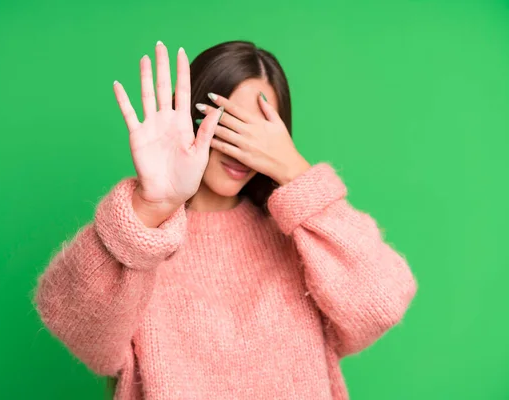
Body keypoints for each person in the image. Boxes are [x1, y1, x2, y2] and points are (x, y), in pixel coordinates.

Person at [34, 40, 417, 400]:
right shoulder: (144, 239)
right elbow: (76, 325)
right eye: (226, 122)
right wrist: (150, 208)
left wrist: (295, 171)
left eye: (258, 131)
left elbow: (382, 302)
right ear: (190, 116)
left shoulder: (303, 238)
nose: (242, 148)